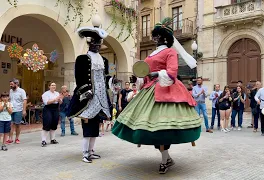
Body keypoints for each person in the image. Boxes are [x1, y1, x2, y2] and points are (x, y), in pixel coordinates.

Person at [112, 17, 201, 174]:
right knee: (153, 129)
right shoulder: (151, 55)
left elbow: (172, 72)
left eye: (157, 35)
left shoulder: (170, 52)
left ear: (165, 38)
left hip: (167, 90)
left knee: (163, 128)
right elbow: (144, 74)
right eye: (154, 35)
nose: (154, 38)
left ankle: (164, 161)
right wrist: (139, 77)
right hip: (149, 91)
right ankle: (166, 158)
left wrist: (155, 73)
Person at [67, 19, 113, 163]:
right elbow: (79, 78)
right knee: (87, 127)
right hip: (89, 97)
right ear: (90, 43)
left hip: (101, 97)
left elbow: (106, 77)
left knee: (95, 127)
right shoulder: (82, 59)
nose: (98, 46)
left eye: (99, 44)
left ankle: (91, 151)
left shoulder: (104, 60)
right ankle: (85, 153)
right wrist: (86, 92)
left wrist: (113, 82)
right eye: (95, 44)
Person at [41, 82, 63, 147]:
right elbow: (46, 102)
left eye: (55, 85)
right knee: (47, 123)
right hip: (48, 109)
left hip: (55, 109)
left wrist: (60, 100)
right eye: (52, 85)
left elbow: (60, 102)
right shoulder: (45, 94)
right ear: (49, 86)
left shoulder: (57, 93)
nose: (54, 86)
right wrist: (55, 99)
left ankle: (52, 139)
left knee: (54, 123)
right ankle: (43, 140)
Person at [8, 79, 27, 144]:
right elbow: (10, 99)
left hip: (18, 110)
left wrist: (24, 110)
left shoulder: (21, 91)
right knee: (10, 124)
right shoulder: (10, 91)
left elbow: (24, 100)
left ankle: (17, 138)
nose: (10, 86)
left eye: (12, 84)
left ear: (16, 84)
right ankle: (10, 138)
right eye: (10, 84)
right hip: (11, 109)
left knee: (17, 124)